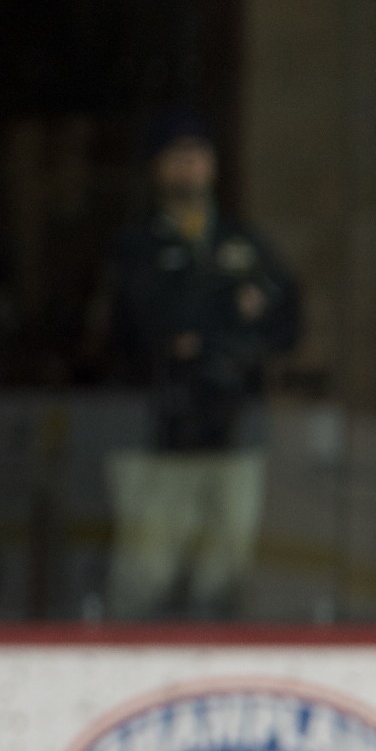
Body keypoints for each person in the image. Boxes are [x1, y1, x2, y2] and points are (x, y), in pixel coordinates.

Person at [103, 107, 300, 618]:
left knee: (225, 578)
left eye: (199, 154)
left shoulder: (244, 244)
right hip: (156, 438)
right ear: (157, 168)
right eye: (177, 155)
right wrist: (229, 311)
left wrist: (210, 336)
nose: (190, 166)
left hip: (233, 431)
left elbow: (285, 324)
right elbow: (143, 328)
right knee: (146, 575)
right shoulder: (136, 247)